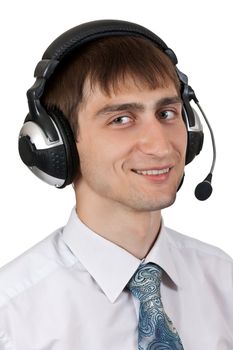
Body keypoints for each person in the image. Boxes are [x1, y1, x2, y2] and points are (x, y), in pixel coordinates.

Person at [0, 19, 232, 350]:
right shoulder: (12, 319)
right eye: (121, 119)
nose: (161, 146)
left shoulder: (225, 282)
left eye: (167, 113)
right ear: (56, 146)